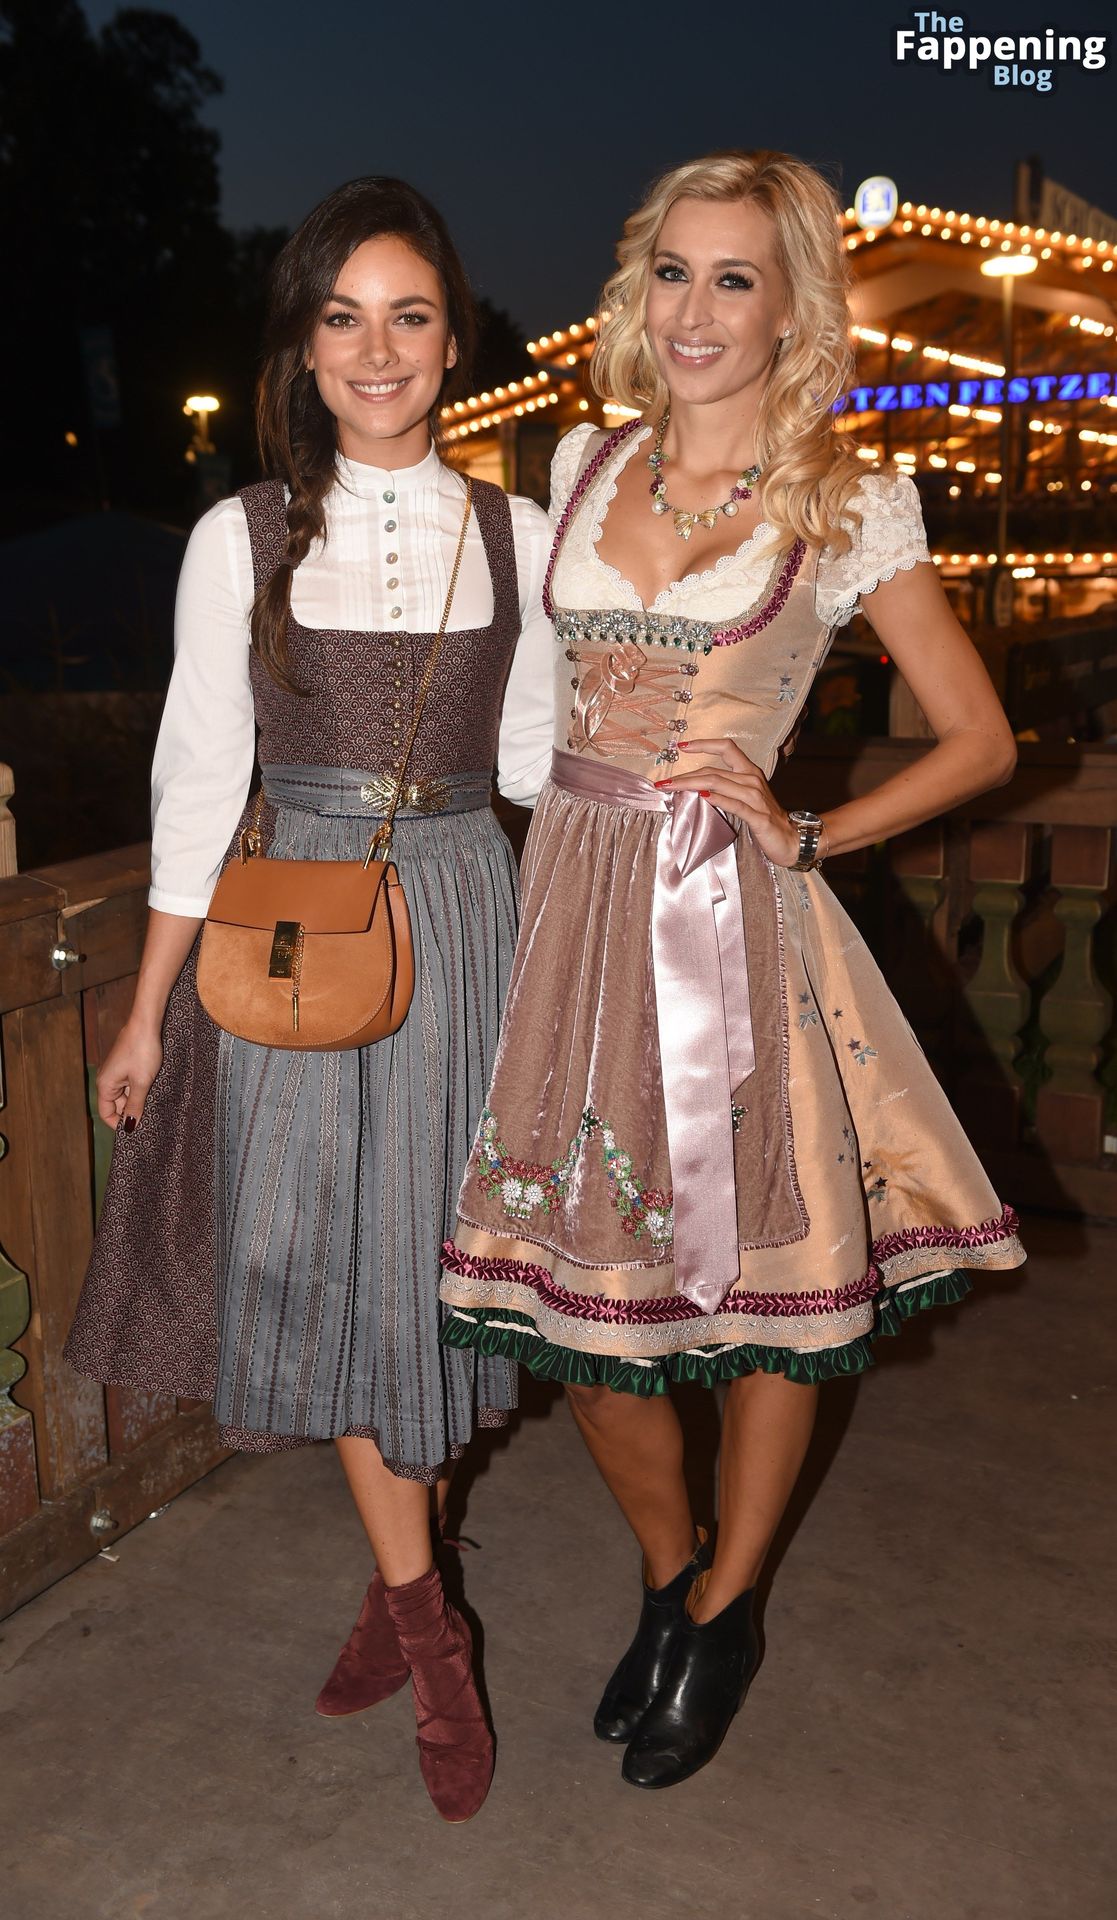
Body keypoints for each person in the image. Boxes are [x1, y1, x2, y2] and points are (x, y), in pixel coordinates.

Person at [440, 149, 1026, 1790]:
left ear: (790, 310)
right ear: (639, 289)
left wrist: (806, 827)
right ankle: (669, 1573)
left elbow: (979, 738)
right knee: (581, 1328)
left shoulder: (845, 501)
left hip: (733, 928)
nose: (694, 311)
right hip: (569, 922)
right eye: (673, 273)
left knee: (768, 1302)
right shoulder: (578, 460)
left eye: (734, 279)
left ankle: (730, 1604)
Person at [65, 176, 553, 1822]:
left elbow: (542, 768)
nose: (378, 349)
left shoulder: (520, 534)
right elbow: (198, 782)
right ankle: (434, 1646)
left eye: (409, 315)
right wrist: (147, 1012)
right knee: (334, 1276)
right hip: (289, 940)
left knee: (438, 1289)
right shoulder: (241, 535)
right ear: (302, 342)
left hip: (466, 919)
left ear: (453, 339)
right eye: (344, 317)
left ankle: (391, 1589)